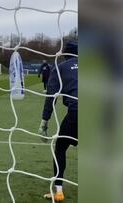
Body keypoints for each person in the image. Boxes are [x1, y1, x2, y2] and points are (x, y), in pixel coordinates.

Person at [38, 41, 78, 202]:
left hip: (76, 112)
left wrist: (44, 121)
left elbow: (51, 97)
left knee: (60, 149)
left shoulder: (60, 67)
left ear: (65, 54)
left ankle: (59, 192)